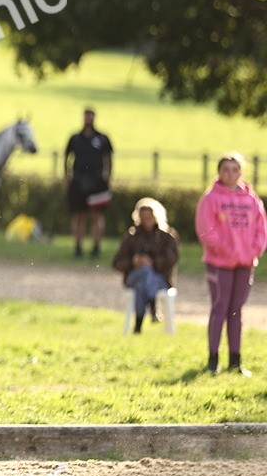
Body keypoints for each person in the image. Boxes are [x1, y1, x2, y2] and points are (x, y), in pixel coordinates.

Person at [195, 153, 267, 375]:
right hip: (220, 263)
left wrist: (253, 250)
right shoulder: (211, 199)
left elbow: (261, 229)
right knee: (220, 307)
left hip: (245, 263)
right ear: (218, 172)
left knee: (236, 311)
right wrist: (226, 251)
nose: (230, 174)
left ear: (241, 172)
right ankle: (212, 359)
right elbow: (206, 230)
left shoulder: (252, 200)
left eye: (234, 169)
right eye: (225, 169)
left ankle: (235, 361)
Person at [111, 198, 180, 333]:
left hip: (160, 279)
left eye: (149, 217)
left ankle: (138, 325)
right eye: (143, 218)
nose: (146, 220)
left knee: (143, 281)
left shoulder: (167, 237)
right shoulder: (132, 236)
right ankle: (153, 306)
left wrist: (152, 262)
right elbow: (117, 262)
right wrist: (134, 262)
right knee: (144, 272)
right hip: (134, 275)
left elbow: (171, 259)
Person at [64, 108, 114, 258]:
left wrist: (108, 178)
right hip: (78, 180)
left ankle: (96, 246)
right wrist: (66, 177)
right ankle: (78, 247)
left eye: (91, 115)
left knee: (96, 215)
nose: (88, 118)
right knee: (78, 216)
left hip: (97, 181)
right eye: (86, 115)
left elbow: (109, 159)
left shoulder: (102, 138)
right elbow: (66, 158)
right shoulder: (75, 138)